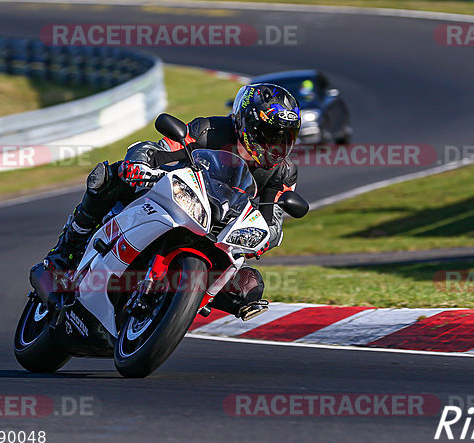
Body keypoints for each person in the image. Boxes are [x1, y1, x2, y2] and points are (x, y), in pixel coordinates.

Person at [31, 83, 304, 320]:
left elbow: (275, 220)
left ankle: (181, 305)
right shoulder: (210, 130)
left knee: (250, 286)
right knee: (108, 176)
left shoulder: (283, 172)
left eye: (284, 138)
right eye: (270, 135)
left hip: (224, 231)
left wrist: (264, 236)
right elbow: (159, 149)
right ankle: (64, 252)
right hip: (177, 199)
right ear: (247, 124)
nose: (276, 145)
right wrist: (139, 165)